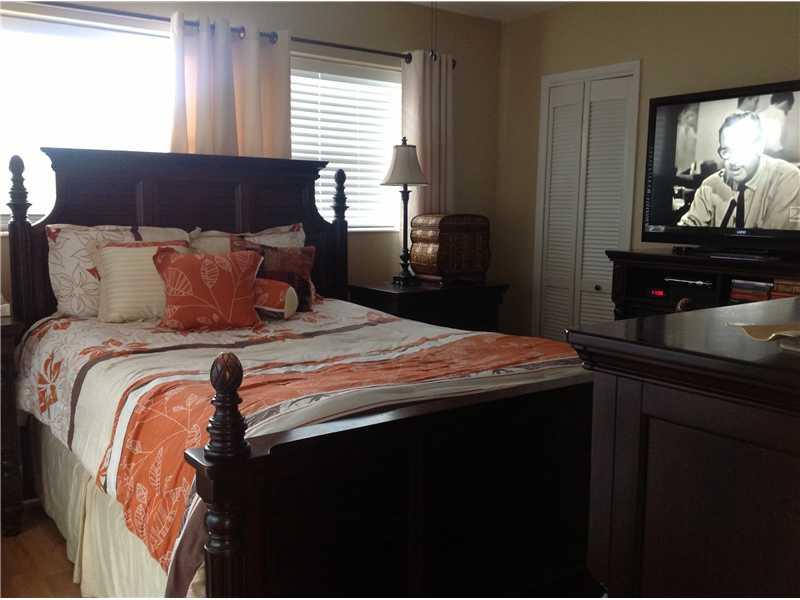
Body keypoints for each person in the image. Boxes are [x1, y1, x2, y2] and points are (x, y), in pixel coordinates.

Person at [678, 111, 800, 230]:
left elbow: (772, 240)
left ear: (759, 146)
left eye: (741, 150)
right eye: (726, 151)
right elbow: (687, 230)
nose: (733, 161)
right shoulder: (710, 185)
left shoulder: (787, 179)